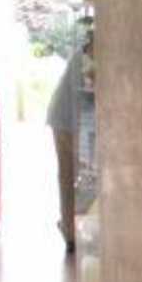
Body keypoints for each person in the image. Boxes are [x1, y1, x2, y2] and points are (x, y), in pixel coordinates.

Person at [46, 37, 86, 254]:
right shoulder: (85, 58)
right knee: (68, 174)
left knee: (72, 174)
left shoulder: (88, 55)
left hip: (69, 115)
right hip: (63, 119)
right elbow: (79, 100)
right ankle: (70, 231)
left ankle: (71, 226)